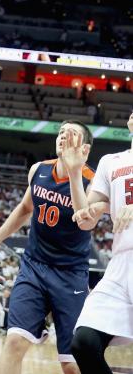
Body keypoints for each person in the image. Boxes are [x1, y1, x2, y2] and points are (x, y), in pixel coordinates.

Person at [0, 121, 95, 374]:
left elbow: (85, 221)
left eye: (72, 134)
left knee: (71, 363)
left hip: (70, 274)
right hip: (34, 266)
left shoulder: (93, 180)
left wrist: (75, 171)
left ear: (84, 149)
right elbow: (25, 208)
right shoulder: (38, 170)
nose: (64, 137)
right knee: (13, 342)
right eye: (61, 133)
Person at [67, 113, 133, 374]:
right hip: (120, 265)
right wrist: (74, 173)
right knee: (84, 342)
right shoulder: (111, 161)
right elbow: (85, 220)